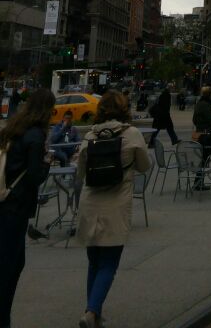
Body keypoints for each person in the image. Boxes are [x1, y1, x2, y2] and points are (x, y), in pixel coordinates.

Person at [75, 90, 150, 328]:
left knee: (94, 261)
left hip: (90, 202)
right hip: (116, 203)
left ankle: (93, 313)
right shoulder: (133, 134)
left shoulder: (89, 136)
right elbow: (144, 166)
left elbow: (80, 172)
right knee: (109, 263)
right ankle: (91, 311)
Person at [0, 87, 55, 328]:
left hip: (4, 201)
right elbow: (34, 176)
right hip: (17, 207)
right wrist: (47, 163)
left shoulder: (14, 129)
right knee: (9, 267)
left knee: (11, 263)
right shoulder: (35, 136)